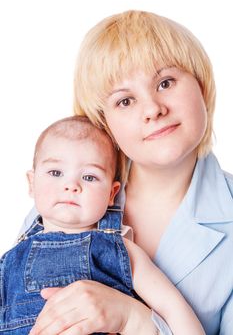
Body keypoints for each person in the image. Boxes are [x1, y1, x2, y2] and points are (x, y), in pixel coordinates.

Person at [24, 10, 233, 335]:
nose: (153, 109)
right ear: (103, 123)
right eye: (125, 101)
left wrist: (134, 320)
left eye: (166, 82)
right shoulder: (66, 199)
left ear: (202, 86)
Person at [0, 115, 205, 335]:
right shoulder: (10, 261)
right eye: (55, 173)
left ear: (111, 193)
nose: (71, 185)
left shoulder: (119, 250)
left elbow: (172, 306)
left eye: (89, 177)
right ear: (32, 183)